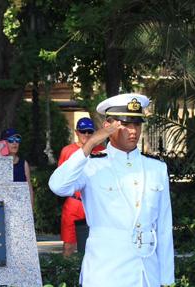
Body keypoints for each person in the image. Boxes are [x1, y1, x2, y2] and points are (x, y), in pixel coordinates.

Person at [49, 93, 174, 287]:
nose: (133, 131)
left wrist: (167, 279)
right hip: (105, 273)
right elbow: (58, 185)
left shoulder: (156, 168)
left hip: (146, 273)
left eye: (137, 124)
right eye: (125, 124)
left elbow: (164, 228)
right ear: (108, 126)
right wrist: (90, 144)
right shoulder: (91, 165)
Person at [58, 117, 105, 257]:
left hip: (95, 202)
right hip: (74, 202)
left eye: (90, 132)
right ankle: (66, 278)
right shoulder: (67, 151)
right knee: (69, 246)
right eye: (83, 131)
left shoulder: (102, 151)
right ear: (76, 132)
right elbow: (61, 178)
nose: (86, 135)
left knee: (98, 245)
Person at [0, 128, 34, 208]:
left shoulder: (24, 163)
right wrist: (1, 158)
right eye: (11, 140)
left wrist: (30, 210)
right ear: (3, 143)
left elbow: (29, 189)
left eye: (17, 139)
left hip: (21, 206)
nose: (15, 143)